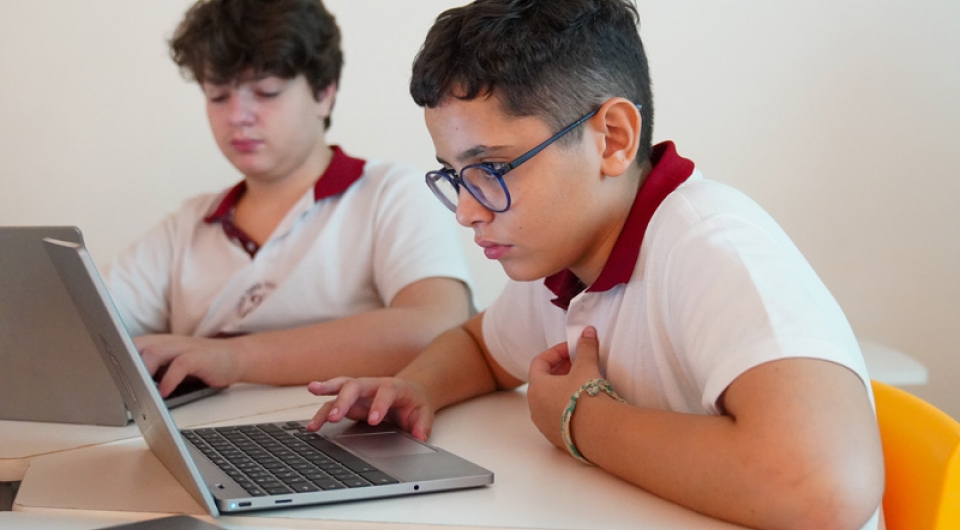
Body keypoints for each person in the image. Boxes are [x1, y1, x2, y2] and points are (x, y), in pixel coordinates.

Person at [305, 1, 885, 529]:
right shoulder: (563, 258)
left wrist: (579, 419)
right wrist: (417, 386)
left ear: (612, 139)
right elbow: (482, 348)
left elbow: (824, 488)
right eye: (456, 175)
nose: (466, 211)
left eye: (494, 169)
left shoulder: (712, 246)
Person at [104, 0, 473, 398]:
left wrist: (232, 358)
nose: (238, 116)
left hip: (334, 429)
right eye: (218, 96)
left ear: (324, 93)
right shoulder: (186, 227)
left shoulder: (390, 193)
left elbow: (437, 327)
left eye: (266, 92)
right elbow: (86, 324)